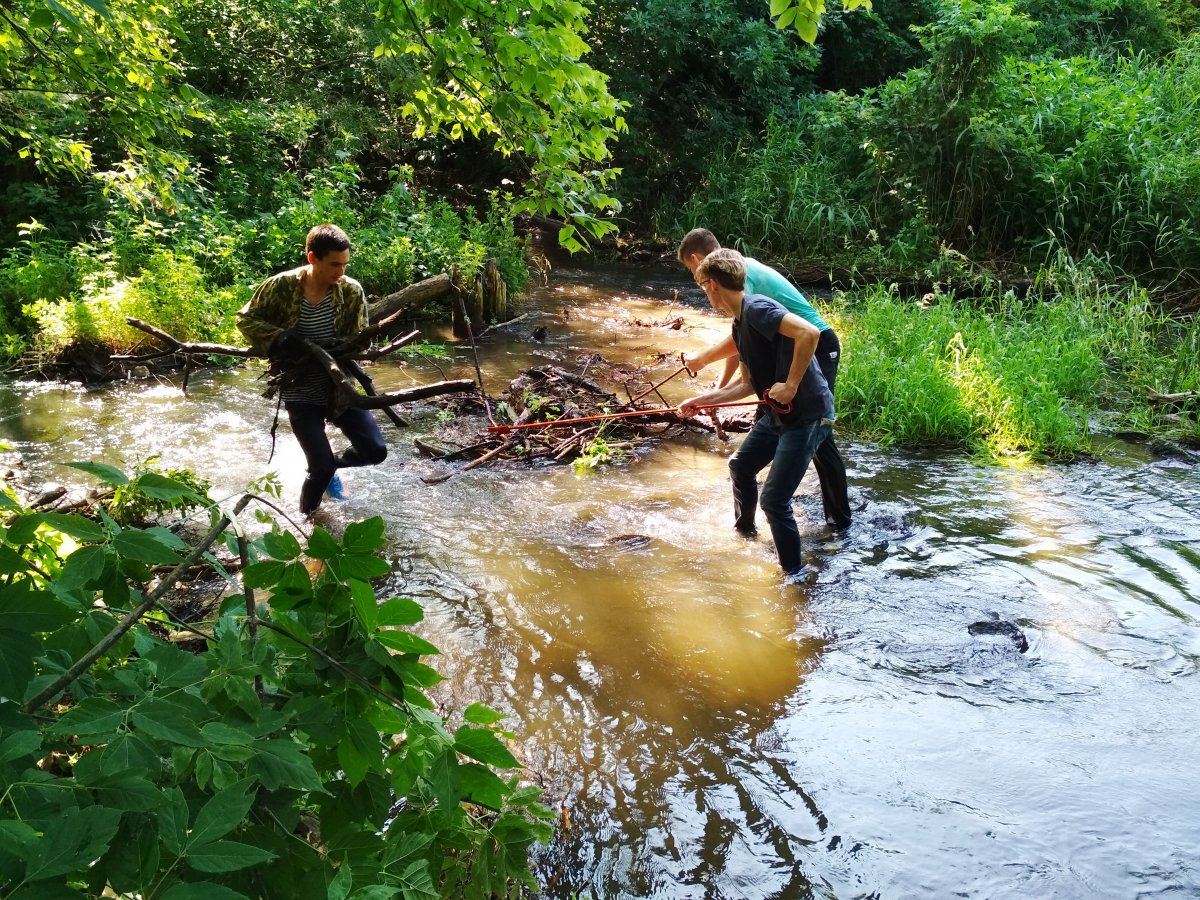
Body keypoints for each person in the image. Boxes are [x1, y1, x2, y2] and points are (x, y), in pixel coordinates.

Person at [677, 228, 852, 529]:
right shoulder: (735, 272)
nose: (698, 281)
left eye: (693, 271)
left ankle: (837, 520)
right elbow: (747, 344)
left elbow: (755, 335)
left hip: (817, 344)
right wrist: (717, 392)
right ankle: (754, 513)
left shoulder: (744, 277)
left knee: (815, 428)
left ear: (697, 259)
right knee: (778, 422)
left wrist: (704, 358)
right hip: (790, 346)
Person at [237, 223, 387, 516]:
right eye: (334, 264)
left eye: (345, 264)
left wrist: (343, 346)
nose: (340, 272)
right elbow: (245, 319)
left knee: (375, 451)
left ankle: (329, 464)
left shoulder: (351, 291)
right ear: (312, 258)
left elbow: (360, 339)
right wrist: (281, 337)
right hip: (300, 387)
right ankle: (307, 523)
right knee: (320, 471)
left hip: (338, 385)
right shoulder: (281, 286)